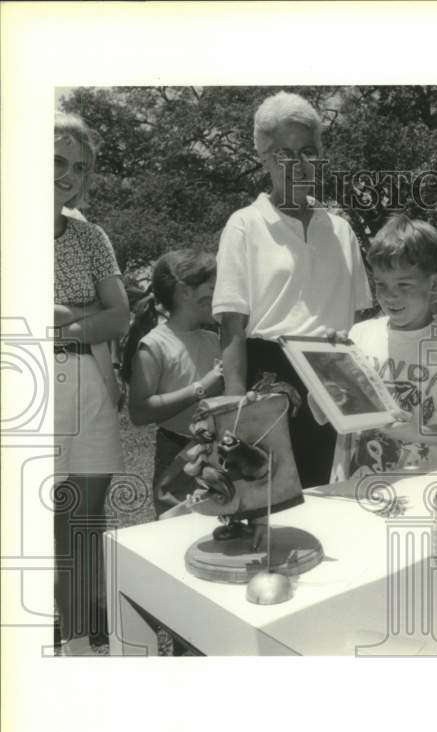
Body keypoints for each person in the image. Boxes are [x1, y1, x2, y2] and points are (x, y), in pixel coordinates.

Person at [213, 91, 372, 488]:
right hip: (271, 379)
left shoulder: (341, 228)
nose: (300, 165)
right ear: (265, 157)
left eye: (309, 151)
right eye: (285, 153)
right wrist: (236, 408)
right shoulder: (244, 224)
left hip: (338, 375)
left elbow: (361, 319)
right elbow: (232, 324)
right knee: (272, 500)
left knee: (336, 495)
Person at [53, 113, 130, 655]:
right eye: (58, 160)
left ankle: (79, 641)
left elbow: (120, 317)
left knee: (81, 524)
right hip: (27, 383)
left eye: (80, 167)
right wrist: (87, 314)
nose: (69, 175)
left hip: (89, 383)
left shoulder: (91, 236)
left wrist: (63, 316)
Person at [325, 215, 437, 481]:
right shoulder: (359, 335)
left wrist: (413, 431)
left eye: (403, 284)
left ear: (435, 284)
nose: (389, 295)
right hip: (355, 482)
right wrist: (323, 369)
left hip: (418, 488)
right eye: (381, 284)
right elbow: (332, 410)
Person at [122, 250, 224, 518]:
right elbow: (139, 411)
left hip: (214, 449)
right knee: (175, 524)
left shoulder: (214, 339)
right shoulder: (155, 345)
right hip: (177, 452)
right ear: (185, 292)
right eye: (212, 287)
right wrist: (201, 388)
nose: (219, 295)